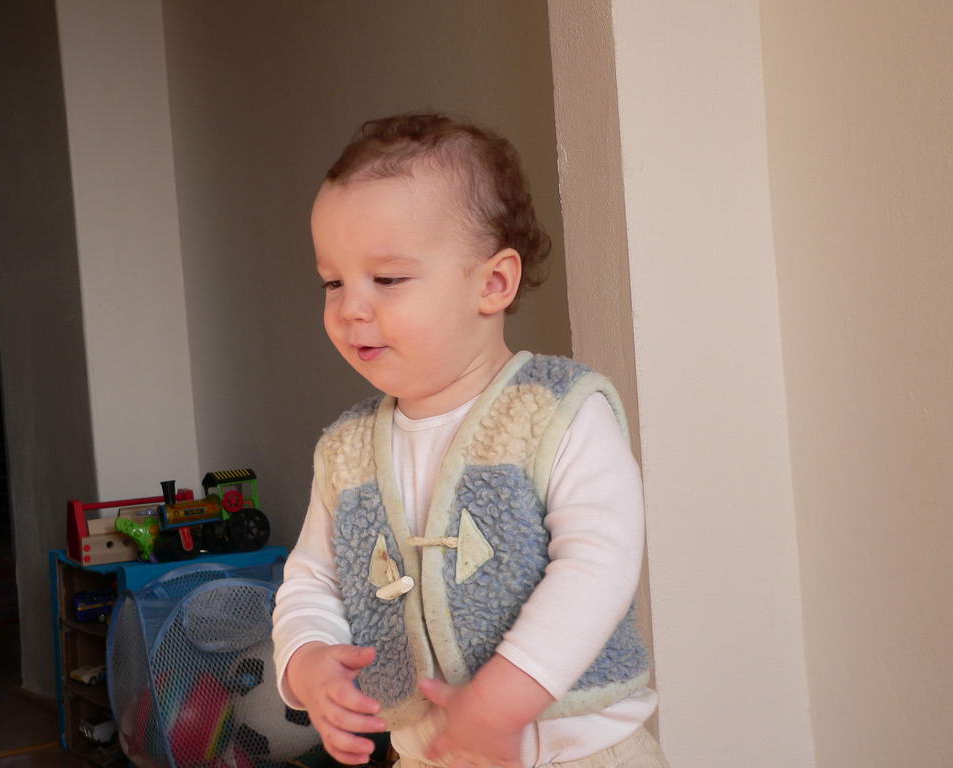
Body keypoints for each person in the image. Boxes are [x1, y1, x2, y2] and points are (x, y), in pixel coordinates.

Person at [272, 112, 670, 768]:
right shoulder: (346, 453)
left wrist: (503, 698)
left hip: (584, 754)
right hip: (430, 756)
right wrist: (308, 661)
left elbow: (599, 563)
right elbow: (312, 580)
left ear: (493, 284)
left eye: (387, 279)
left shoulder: (557, 413)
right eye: (334, 282)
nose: (350, 308)